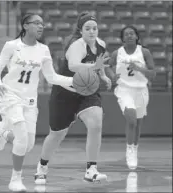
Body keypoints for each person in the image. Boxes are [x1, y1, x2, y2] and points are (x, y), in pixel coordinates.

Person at [0, 13, 75, 192]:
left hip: (29, 100)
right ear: (25, 26)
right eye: (36, 23)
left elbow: (51, 77)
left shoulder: (43, 49)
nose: (41, 26)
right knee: (21, 137)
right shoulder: (12, 46)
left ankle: (4, 133)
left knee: (27, 145)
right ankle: (16, 179)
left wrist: (72, 82)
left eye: (42, 24)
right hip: (9, 95)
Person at [34, 11, 112, 184]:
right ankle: (42, 165)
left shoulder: (100, 44)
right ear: (81, 30)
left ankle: (91, 169)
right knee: (57, 134)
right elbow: (74, 65)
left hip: (86, 91)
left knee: (96, 123)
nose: (92, 31)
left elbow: (99, 64)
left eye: (94, 28)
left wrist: (104, 76)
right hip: (65, 91)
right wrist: (94, 67)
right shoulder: (77, 45)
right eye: (88, 28)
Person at [106, 26, 156, 170]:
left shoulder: (144, 52)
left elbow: (153, 73)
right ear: (122, 38)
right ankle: (129, 149)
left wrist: (139, 68)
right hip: (124, 89)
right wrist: (112, 76)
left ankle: (135, 148)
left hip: (141, 90)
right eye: (126, 34)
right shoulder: (117, 53)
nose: (129, 36)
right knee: (131, 118)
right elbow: (107, 66)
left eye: (131, 33)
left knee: (138, 123)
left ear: (136, 37)